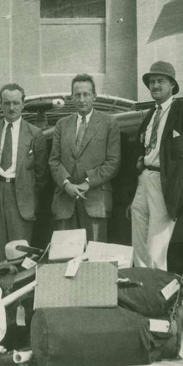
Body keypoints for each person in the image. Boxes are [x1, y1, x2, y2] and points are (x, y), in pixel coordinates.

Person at [129, 61, 183, 271]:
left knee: (156, 248)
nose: (155, 86)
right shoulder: (151, 114)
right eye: (152, 82)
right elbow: (144, 148)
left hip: (166, 183)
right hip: (144, 180)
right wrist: (140, 160)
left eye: (160, 81)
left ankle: (159, 298)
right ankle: (143, 293)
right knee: (138, 246)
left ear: (172, 85)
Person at [0, 83, 48, 267]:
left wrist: (31, 196)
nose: (11, 108)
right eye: (7, 103)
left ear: (23, 104)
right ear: (0, 104)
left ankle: (18, 293)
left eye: (16, 103)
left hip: (22, 196)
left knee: (20, 251)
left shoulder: (35, 134)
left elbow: (41, 174)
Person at [48, 73, 121, 243]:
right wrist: (66, 184)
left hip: (95, 200)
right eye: (77, 94)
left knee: (94, 259)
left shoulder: (108, 123)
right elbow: (54, 161)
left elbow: (113, 162)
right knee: (66, 256)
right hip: (65, 201)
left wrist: (87, 183)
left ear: (94, 96)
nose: (82, 99)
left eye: (86, 94)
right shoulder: (61, 124)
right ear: (72, 97)